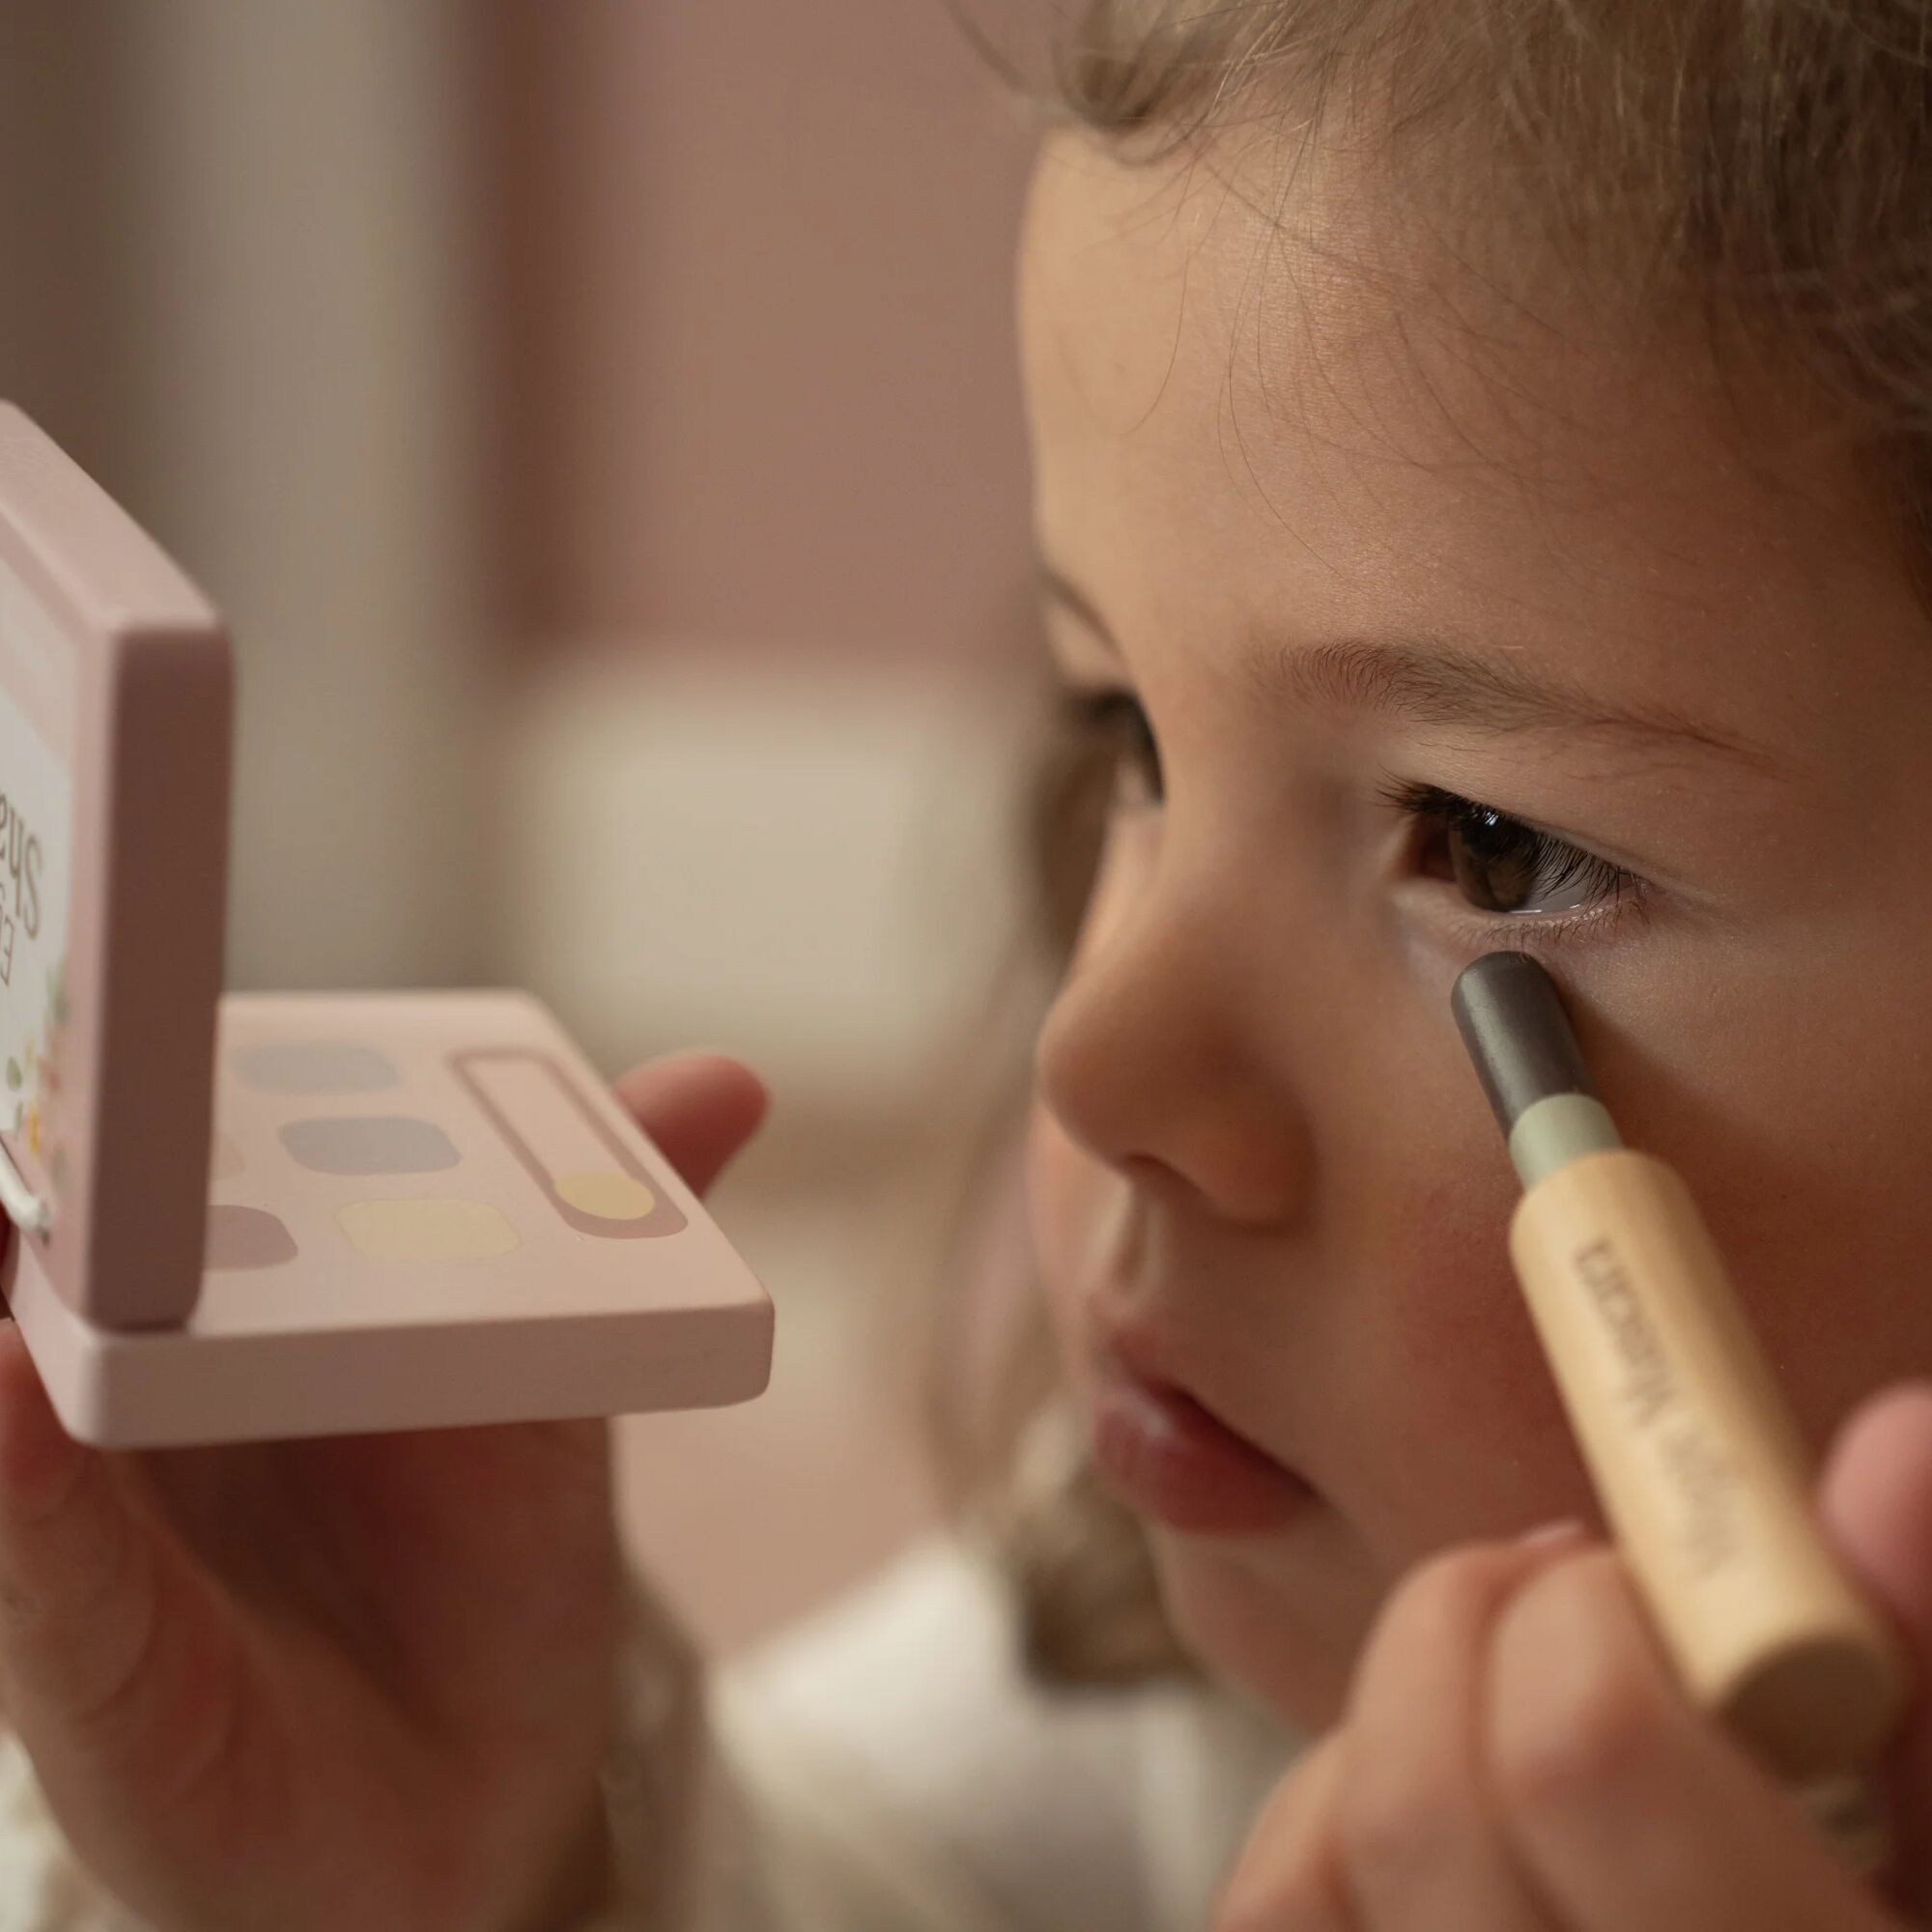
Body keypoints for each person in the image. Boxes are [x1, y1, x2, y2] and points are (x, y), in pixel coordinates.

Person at [10, 1, 1932, 1924]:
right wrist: (523, 1869)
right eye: (1127, 739)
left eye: (1487, 840)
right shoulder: (1143, 1634)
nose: (1091, 1055)